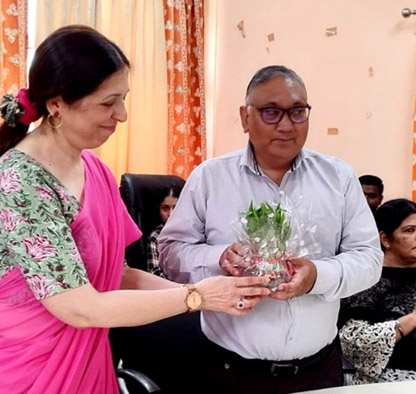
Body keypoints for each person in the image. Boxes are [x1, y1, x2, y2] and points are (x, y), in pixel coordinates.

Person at [0, 26, 271, 394]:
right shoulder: (20, 185)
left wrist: (212, 295)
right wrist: (198, 297)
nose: (122, 114)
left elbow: (119, 274)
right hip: (32, 372)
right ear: (57, 104)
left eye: (123, 99)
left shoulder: (94, 170)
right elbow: (79, 307)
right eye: (108, 102)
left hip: (91, 367)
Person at [159, 65, 383, 393]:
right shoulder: (210, 178)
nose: (286, 126)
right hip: (228, 370)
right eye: (270, 113)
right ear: (245, 117)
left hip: (318, 371)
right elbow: (171, 254)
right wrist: (218, 258)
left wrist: (316, 277)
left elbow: (369, 260)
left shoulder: (338, 177)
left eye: (297, 112)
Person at [338, 198, 416, 384]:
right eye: (410, 230)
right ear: (385, 239)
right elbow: (354, 344)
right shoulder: (367, 280)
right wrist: (415, 317)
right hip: (384, 382)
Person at [147, 186, 181, 278]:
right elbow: (154, 273)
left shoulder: (196, 233)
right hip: (170, 288)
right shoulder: (156, 236)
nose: (170, 214)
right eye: (165, 208)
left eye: (176, 208)